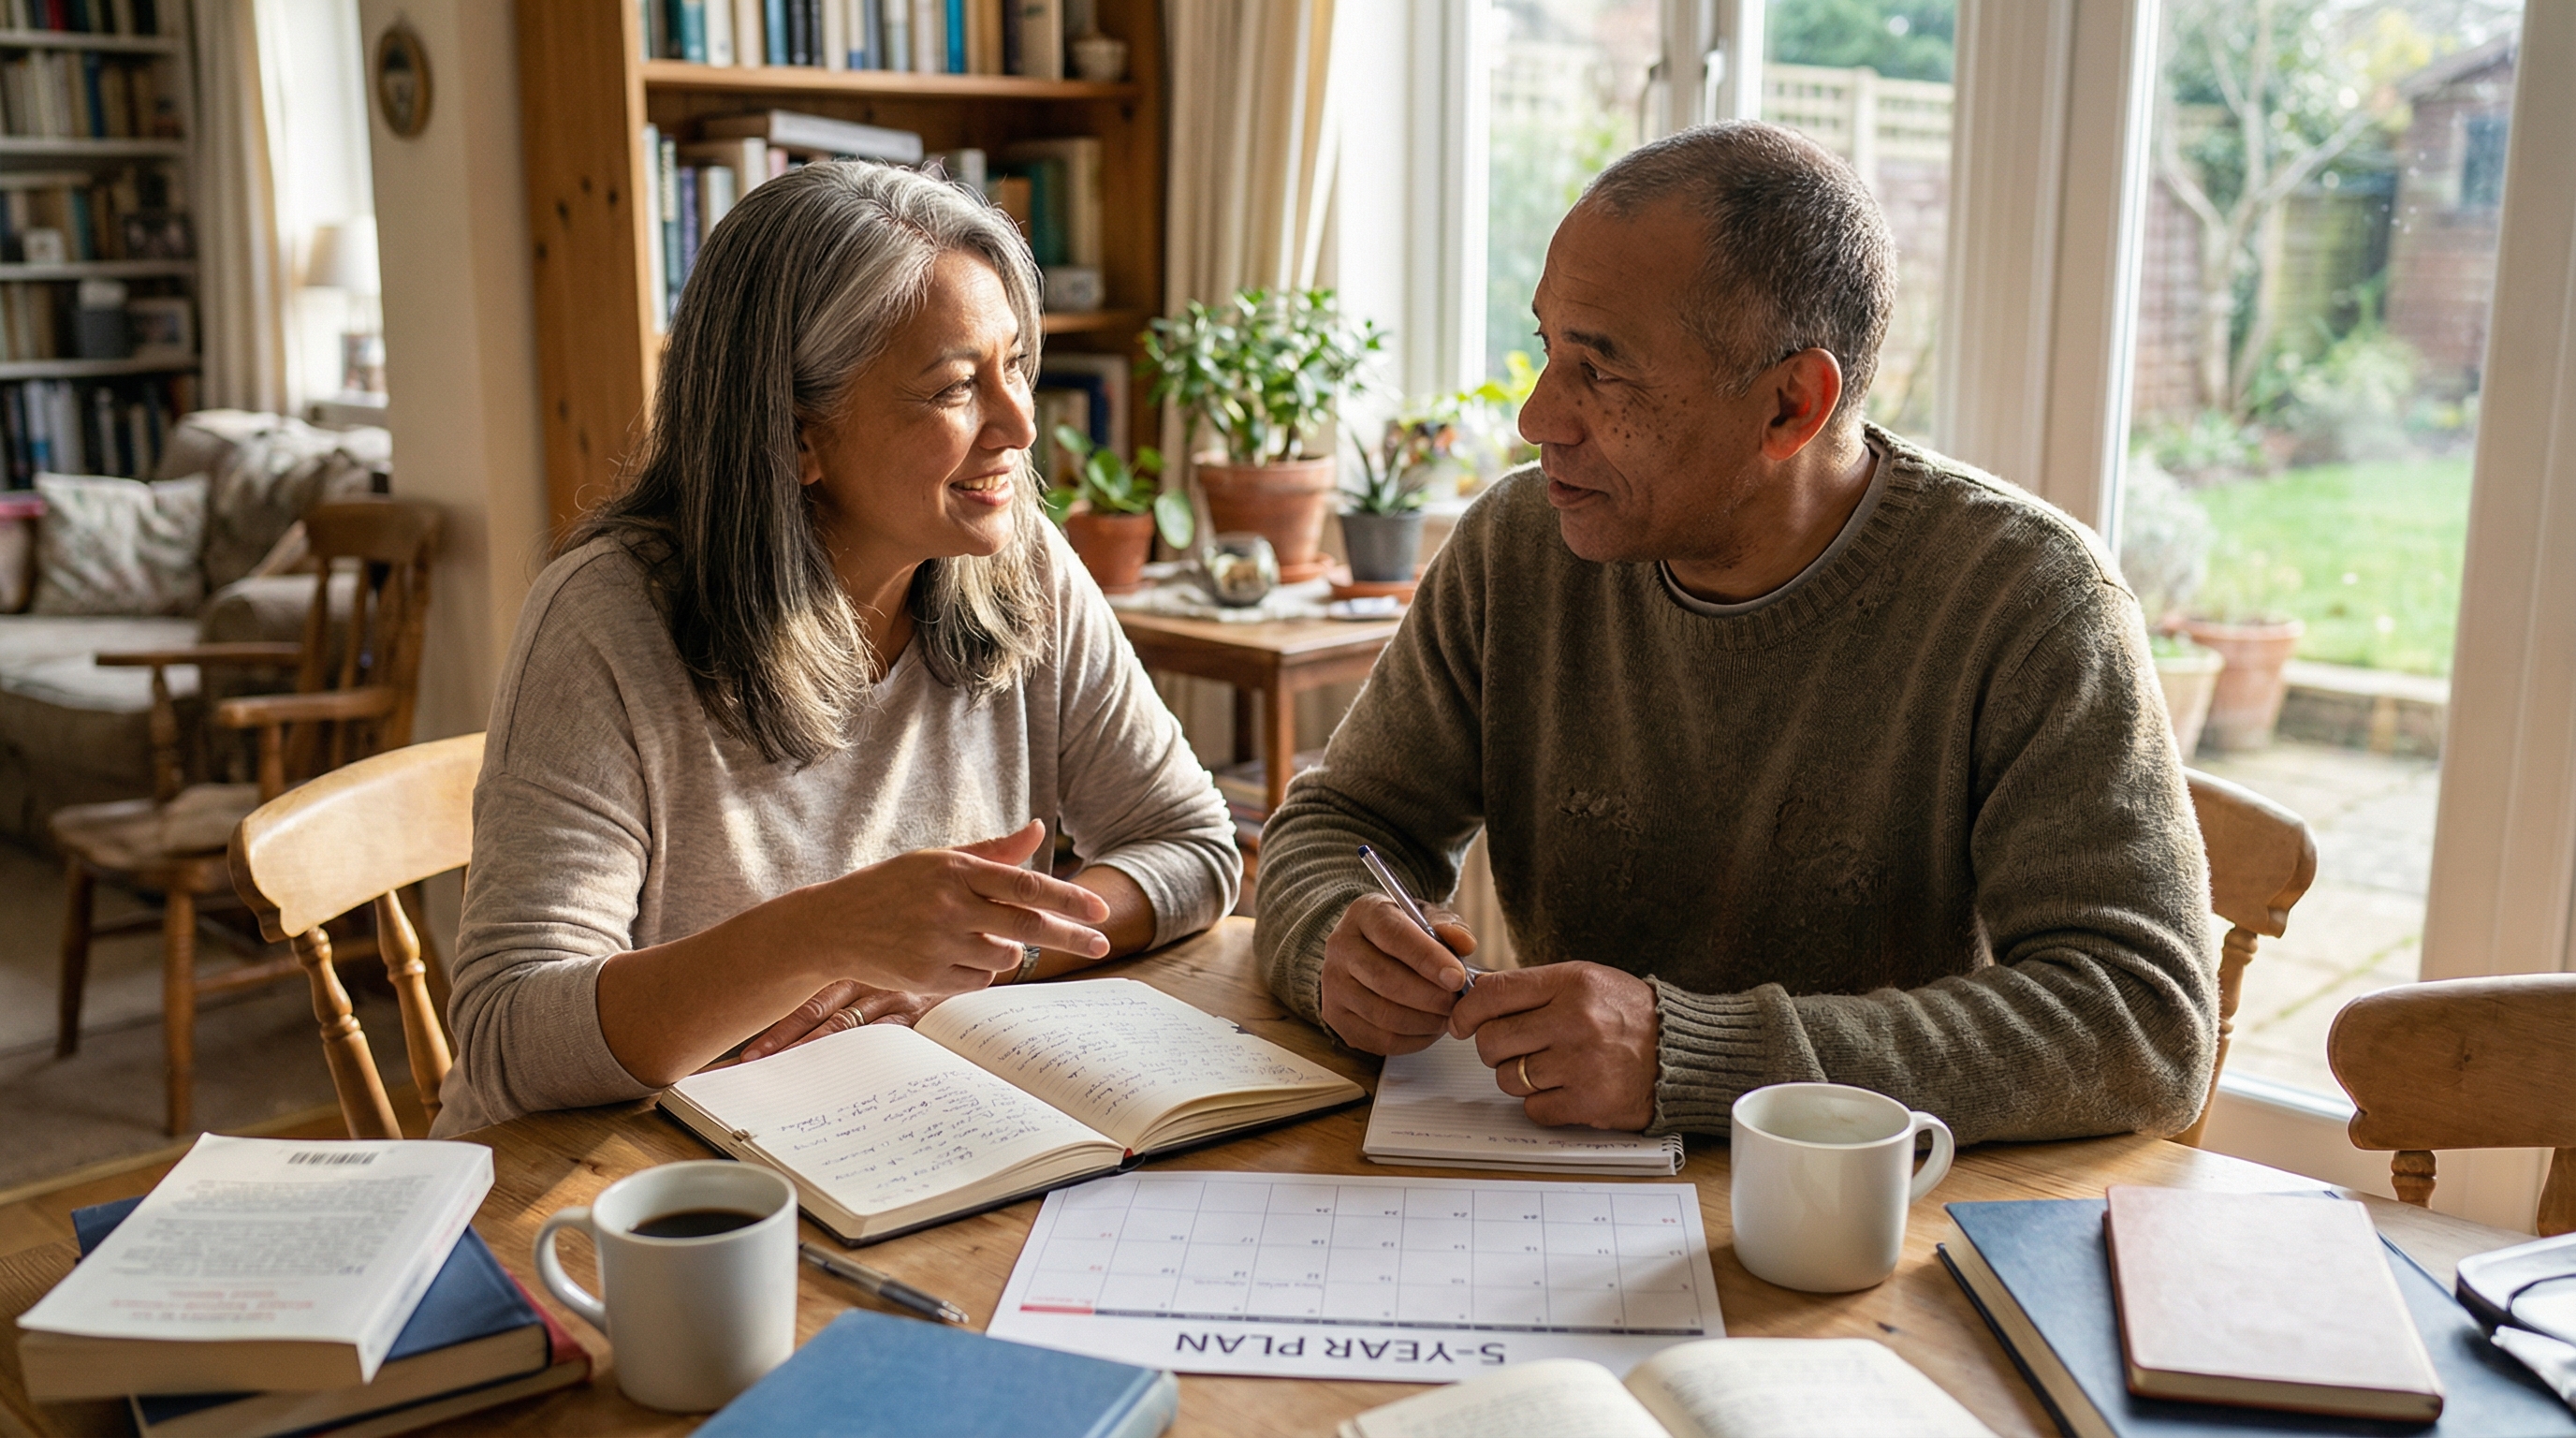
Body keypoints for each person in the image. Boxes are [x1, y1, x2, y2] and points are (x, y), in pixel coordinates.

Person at [1254, 122, 2216, 1146]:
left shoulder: (2027, 599)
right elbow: (1338, 827)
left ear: (1789, 406)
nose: (1538, 418)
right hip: (1558, 1186)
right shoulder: (1516, 544)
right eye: (1546, 350)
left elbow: (2141, 1023)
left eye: (1602, 371)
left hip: (1875, 1230)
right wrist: (1332, 941)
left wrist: (1693, 1057)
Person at [435, 162, 1237, 1136]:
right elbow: (509, 1036)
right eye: (952, 388)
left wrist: (990, 950)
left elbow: (1192, 848)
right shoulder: (606, 620)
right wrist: (819, 936)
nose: (1021, 425)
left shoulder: (1021, 561)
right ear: (793, 437)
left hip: (878, 1133)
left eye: (1014, 364)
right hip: (628, 1186)